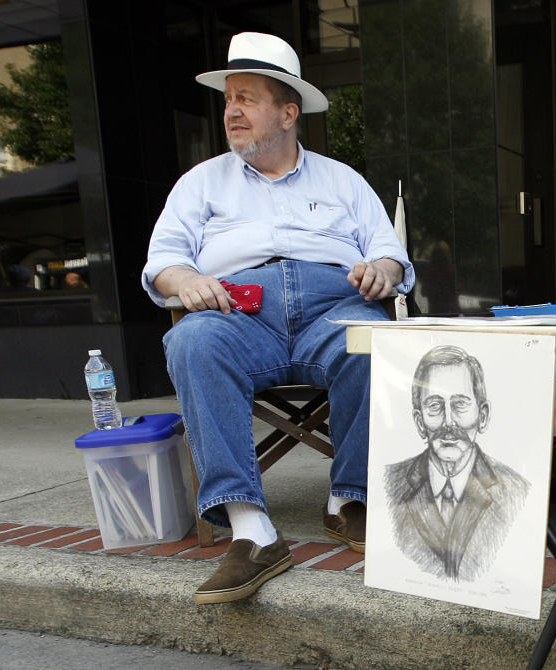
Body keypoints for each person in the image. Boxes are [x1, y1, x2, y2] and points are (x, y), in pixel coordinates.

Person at [141, 32, 414, 605]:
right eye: (227, 100)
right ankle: (251, 528)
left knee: (372, 339)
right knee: (193, 343)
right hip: (238, 314)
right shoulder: (200, 183)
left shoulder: (342, 180)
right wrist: (185, 280)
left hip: (332, 305)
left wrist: (383, 273)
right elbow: (162, 263)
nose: (231, 111)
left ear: (288, 112)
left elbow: (391, 255)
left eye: (246, 98)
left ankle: (350, 498)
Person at [383, 345, 530, 581]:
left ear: (482, 415)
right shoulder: (389, 484)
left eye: (460, 404)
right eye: (434, 405)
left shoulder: (516, 490)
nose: (449, 421)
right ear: (419, 421)